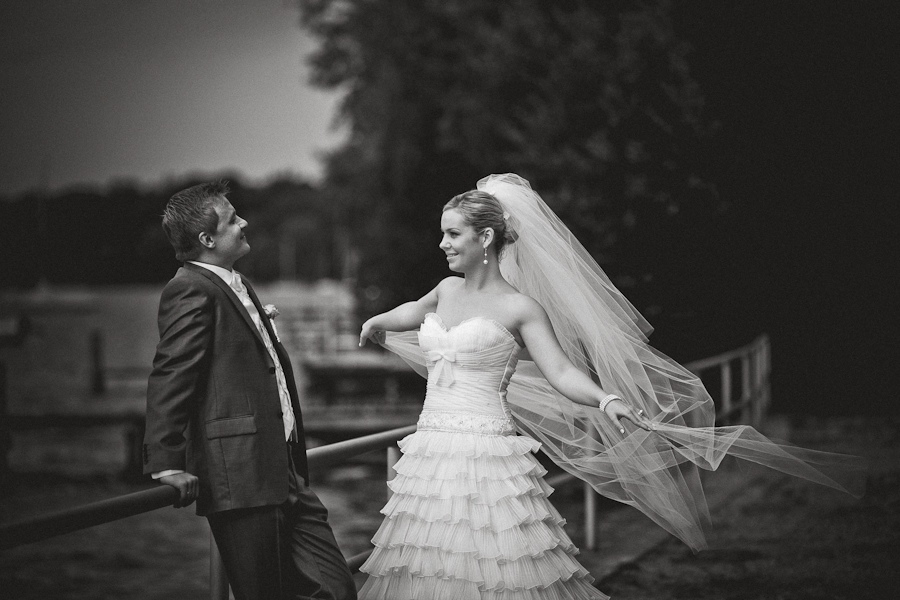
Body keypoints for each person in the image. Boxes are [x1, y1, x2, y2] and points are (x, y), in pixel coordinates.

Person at [356, 173, 865, 599]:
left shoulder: (521, 309)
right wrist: (378, 321)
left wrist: (606, 398)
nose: (442, 244)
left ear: (485, 239)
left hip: (486, 455)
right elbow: (412, 312)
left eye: (452, 234)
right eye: (443, 234)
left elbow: (559, 372)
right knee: (427, 568)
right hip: (428, 452)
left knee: (494, 567)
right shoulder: (445, 289)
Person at [143, 181, 357, 600]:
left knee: (337, 588)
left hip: (285, 470)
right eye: (232, 219)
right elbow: (171, 374)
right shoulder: (190, 288)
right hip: (240, 478)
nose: (243, 222)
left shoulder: (235, 283)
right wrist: (166, 463)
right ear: (207, 239)